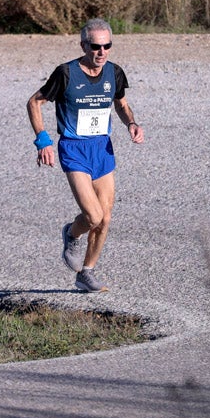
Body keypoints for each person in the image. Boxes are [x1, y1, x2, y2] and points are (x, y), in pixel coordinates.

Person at [26, 18, 145, 292]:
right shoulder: (66, 73)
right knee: (92, 216)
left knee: (106, 217)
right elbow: (34, 102)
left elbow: (121, 104)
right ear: (83, 46)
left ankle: (87, 273)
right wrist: (43, 140)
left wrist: (132, 123)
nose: (102, 52)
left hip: (102, 148)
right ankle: (71, 233)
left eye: (107, 46)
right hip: (74, 148)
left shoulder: (114, 73)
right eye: (95, 46)